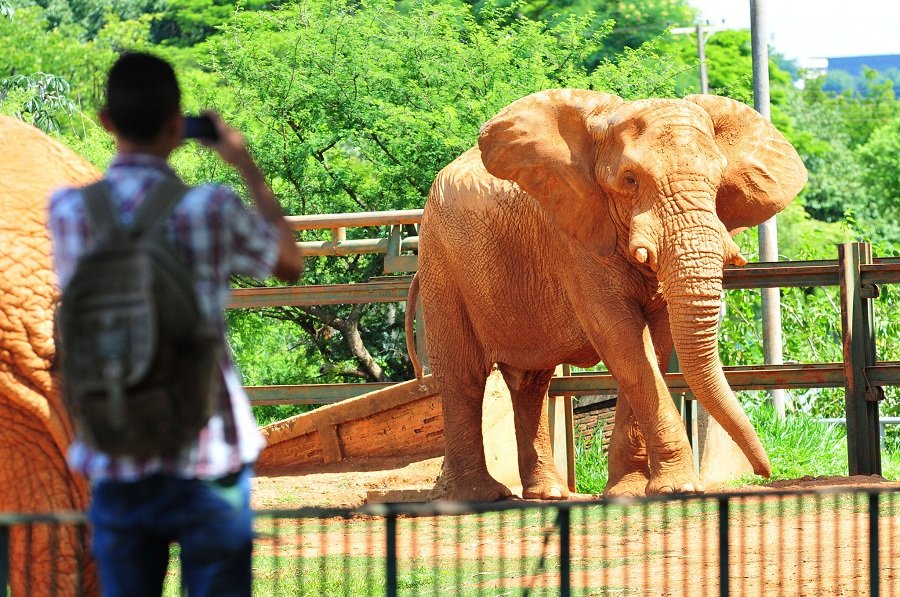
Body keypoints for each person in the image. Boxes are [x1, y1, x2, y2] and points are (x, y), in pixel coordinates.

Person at [48, 52, 303, 597]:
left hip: (115, 453)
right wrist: (244, 164)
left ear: (106, 122)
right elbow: (289, 262)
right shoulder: (209, 207)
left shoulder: (68, 212)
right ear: (176, 126)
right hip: (208, 453)